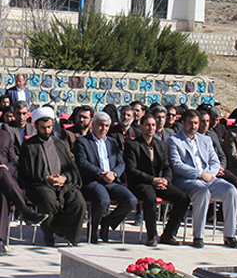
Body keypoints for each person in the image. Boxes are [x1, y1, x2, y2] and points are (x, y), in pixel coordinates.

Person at [168, 109, 237, 249]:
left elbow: (215, 161)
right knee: (203, 192)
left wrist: (209, 174)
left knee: (231, 191)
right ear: (183, 123)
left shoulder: (205, 140)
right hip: (188, 180)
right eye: (190, 123)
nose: (193, 126)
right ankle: (198, 236)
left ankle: (230, 235)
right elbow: (177, 165)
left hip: (209, 178)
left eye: (196, 123)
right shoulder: (174, 141)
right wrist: (200, 174)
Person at [18, 107, 86, 246]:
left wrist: (64, 178)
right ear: (36, 126)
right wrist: (46, 178)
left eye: (49, 127)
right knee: (49, 201)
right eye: (43, 128)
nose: (47, 131)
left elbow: (70, 168)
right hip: (40, 184)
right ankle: (49, 236)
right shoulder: (29, 146)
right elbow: (26, 173)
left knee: (78, 201)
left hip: (63, 183)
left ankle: (71, 236)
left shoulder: (59, 143)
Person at [124, 115, 190, 246]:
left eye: (153, 125)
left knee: (183, 198)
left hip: (159, 182)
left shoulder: (161, 145)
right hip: (141, 183)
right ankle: (152, 236)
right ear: (141, 126)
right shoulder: (132, 145)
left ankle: (169, 234)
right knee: (150, 198)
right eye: (148, 125)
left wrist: (166, 180)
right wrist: (152, 180)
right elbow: (131, 170)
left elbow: (167, 167)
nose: (151, 128)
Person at [74, 112, 137, 243]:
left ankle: (107, 223)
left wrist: (114, 174)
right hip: (93, 181)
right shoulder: (82, 142)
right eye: (100, 125)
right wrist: (101, 174)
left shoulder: (112, 142)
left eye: (107, 126)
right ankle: (93, 229)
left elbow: (121, 163)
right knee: (103, 201)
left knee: (131, 200)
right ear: (93, 125)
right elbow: (82, 163)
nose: (104, 129)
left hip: (111, 180)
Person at [0, 128, 49, 254]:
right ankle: (26, 210)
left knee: (3, 195)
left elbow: (14, 161)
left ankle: (0, 241)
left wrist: (7, 168)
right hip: (5, 179)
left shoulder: (5, 135)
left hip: (3, 180)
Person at [197, 110, 237, 192]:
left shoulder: (212, 135)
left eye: (207, 121)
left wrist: (221, 166)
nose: (206, 124)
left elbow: (222, 155)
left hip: (219, 168)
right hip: (206, 169)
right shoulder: (194, 138)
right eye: (203, 121)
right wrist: (214, 170)